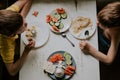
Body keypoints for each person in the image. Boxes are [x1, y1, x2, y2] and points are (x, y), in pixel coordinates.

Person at [0, 0, 35, 77]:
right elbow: (12, 71)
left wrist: (22, 17)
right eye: (24, 26)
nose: (26, 23)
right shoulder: (5, 44)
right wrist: (26, 51)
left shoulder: (9, 14)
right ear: (12, 35)